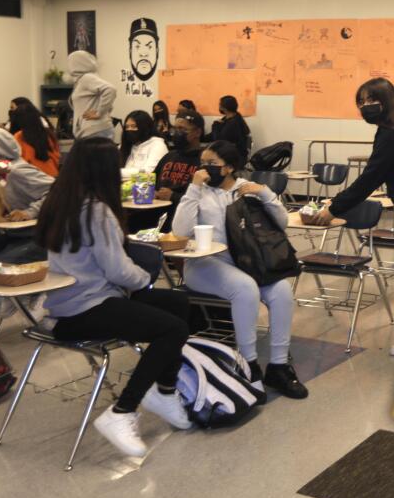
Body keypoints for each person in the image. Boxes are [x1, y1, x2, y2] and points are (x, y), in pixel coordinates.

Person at [37, 137, 193, 458]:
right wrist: (145, 279)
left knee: (178, 303)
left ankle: (165, 389)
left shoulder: (59, 202)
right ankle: (123, 410)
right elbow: (119, 272)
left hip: (66, 305)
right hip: (85, 309)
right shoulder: (97, 212)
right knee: (173, 328)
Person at [172, 140, 308, 399]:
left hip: (249, 263)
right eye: (202, 163)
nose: (204, 168)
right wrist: (193, 187)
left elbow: (281, 224)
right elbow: (180, 231)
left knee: (281, 290)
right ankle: (248, 365)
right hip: (205, 265)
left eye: (212, 164)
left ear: (230, 168)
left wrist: (265, 193)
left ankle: (279, 366)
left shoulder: (245, 190)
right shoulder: (197, 191)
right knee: (245, 289)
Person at [312, 78, 394, 357]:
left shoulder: (393, 131)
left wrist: (333, 207)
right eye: (361, 102)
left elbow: (371, 177)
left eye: (371, 100)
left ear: (388, 99)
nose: (365, 107)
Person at [0, 128, 51, 263]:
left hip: (38, 238)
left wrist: (30, 212)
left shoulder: (17, 171)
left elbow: (57, 191)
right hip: (18, 235)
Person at [154, 110, 205, 206]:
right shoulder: (169, 156)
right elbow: (152, 181)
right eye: (175, 129)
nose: (177, 133)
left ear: (197, 132)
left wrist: (174, 196)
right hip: (157, 210)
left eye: (182, 129)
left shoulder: (204, 161)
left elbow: (205, 200)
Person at [67, 51, 117, 141]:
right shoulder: (82, 80)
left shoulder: (87, 78)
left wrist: (99, 113)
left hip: (95, 131)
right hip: (92, 131)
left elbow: (110, 89)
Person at [9, 101, 60, 176]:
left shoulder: (19, 136)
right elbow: (57, 156)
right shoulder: (49, 134)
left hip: (30, 177)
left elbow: (15, 160)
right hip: (52, 175)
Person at [209, 95, 251, 169]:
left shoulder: (233, 123)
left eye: (220, 105)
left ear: (224, 108)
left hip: (235, 157)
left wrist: (215, 125)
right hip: (234, 154)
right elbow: (214, 135)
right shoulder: (233, 117)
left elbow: (219, 141)